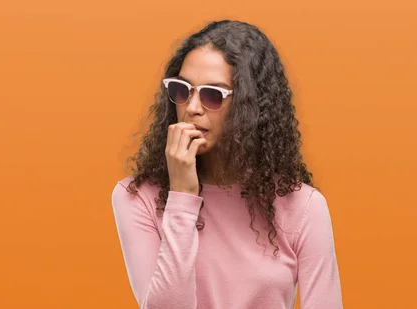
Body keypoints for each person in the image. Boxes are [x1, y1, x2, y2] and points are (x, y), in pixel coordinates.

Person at [110, 20, 343, 309]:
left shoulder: (303, 206)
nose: (192, 108)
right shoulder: (137, 198)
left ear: (250, 106)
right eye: (182, 90)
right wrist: (182, 196)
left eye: (212, 95)